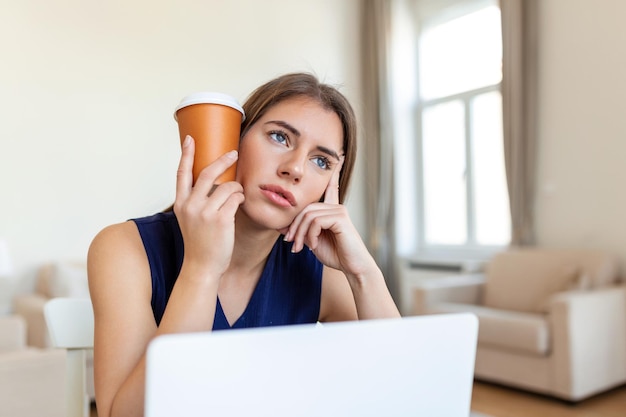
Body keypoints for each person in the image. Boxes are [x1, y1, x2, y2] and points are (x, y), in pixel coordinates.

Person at [88, 72, 400, 417]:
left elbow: (405, 392)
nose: (295, 168)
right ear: (231, 141)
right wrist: (202, 269)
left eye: (321, 161)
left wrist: (363, 272)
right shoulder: (124, 249)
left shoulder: (320, 272)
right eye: (280, 137)